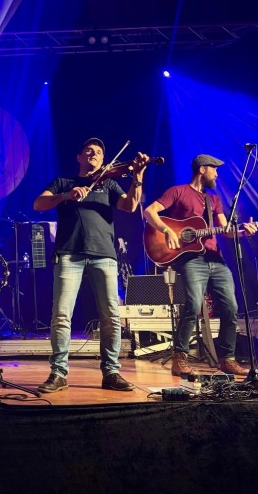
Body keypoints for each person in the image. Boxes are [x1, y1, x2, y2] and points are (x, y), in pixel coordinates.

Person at [33, 138, 149, 393]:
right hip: (68, 253)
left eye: (98, 152)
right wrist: (66, 195)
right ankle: (58, 373)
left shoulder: (109, 184)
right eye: (88, 150)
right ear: (79, 157)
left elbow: (130, 206)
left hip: (104, 255)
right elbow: (38, 204)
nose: (93, 154)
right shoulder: (64, 182)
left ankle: (111, 372)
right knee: (61, 315)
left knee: (111, 316)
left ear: (104, 160)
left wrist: (137, 176)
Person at [143, 154, 258, 378]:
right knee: (193, 306)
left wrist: (244, 232)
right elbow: (150, 211)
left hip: (215, 259)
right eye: (214, 169)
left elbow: (226, 230)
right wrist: (167, 230)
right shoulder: (178, 192)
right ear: (203, 169)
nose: (217, 174)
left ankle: (227, 359)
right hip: (191, 259)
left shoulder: (213, 200)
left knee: (231, 307)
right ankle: (179, 359)